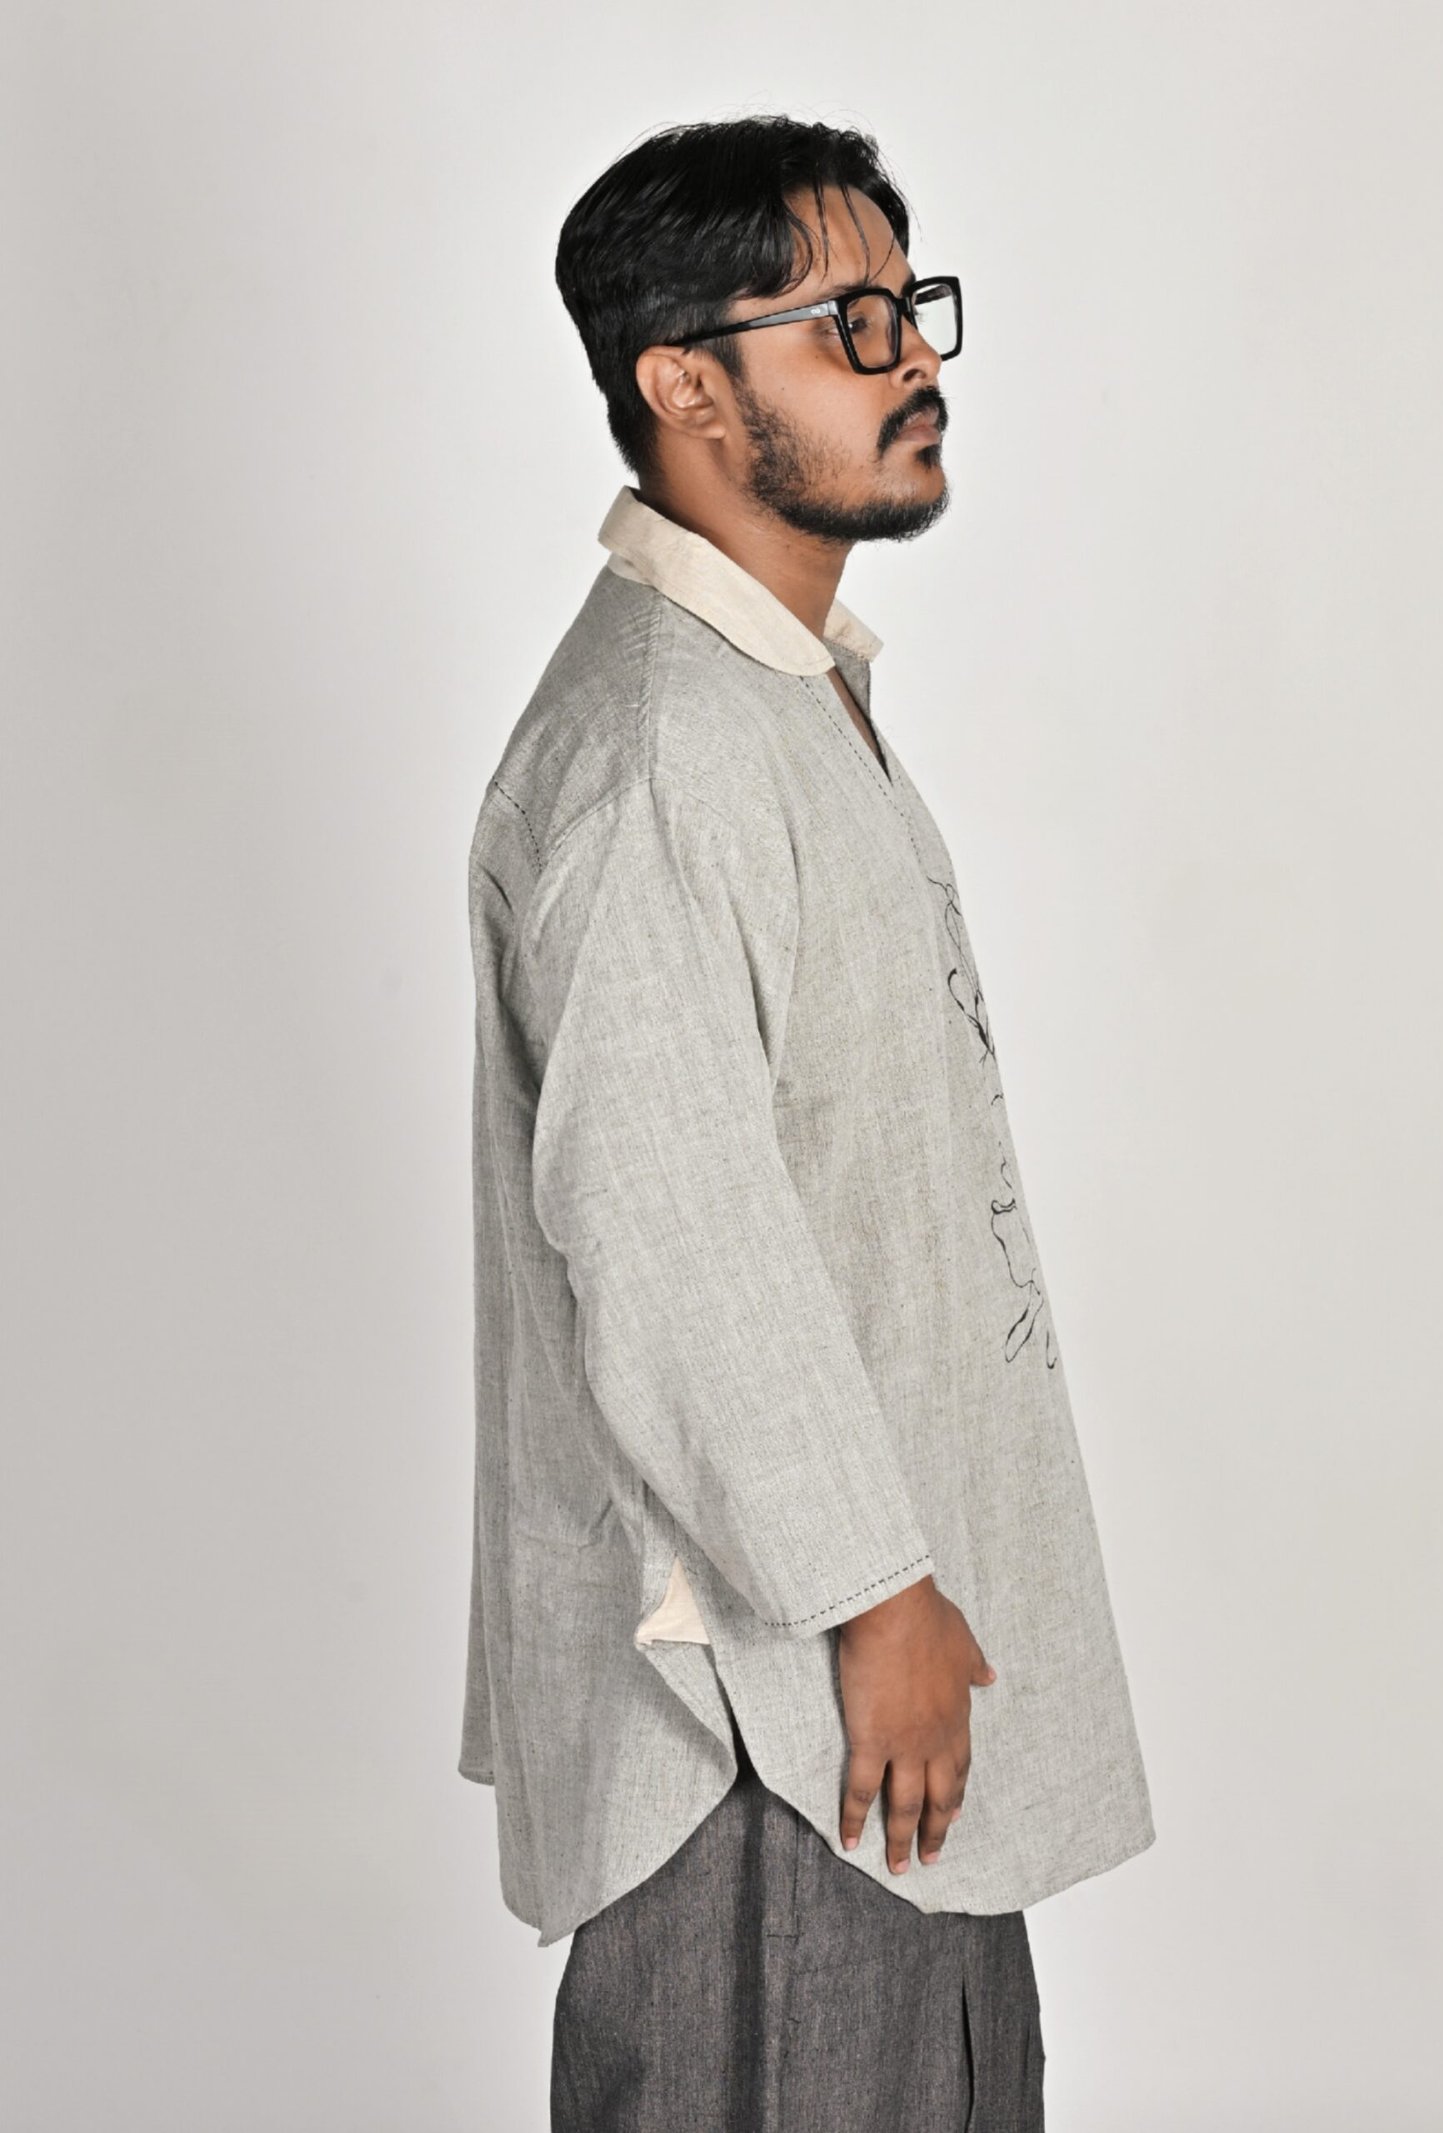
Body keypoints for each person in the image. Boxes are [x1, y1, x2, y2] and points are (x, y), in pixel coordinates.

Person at [458, 113, 1157, 2130]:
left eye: (910, 305)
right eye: (847, 321)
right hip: (763, 1721)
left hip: (860, 1691)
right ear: (684, 385)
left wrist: (901, 1601)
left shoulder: (770, 692)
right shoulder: (657, 746)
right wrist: (873, 1589)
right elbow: (667, 1230)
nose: (911, 354)